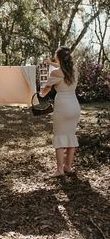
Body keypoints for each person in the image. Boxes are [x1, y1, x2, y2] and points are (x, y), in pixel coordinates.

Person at [41, 46, 81, 176]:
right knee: (70, 135)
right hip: (75, 106)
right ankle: (68, 167)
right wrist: (51, 63)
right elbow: (62, 67)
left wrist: (39, 94)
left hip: (62, 107)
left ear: (58, 58)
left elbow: (46, 89)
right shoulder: (74, 70)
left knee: (59, 136)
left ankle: (59, 170)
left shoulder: (55, 73)